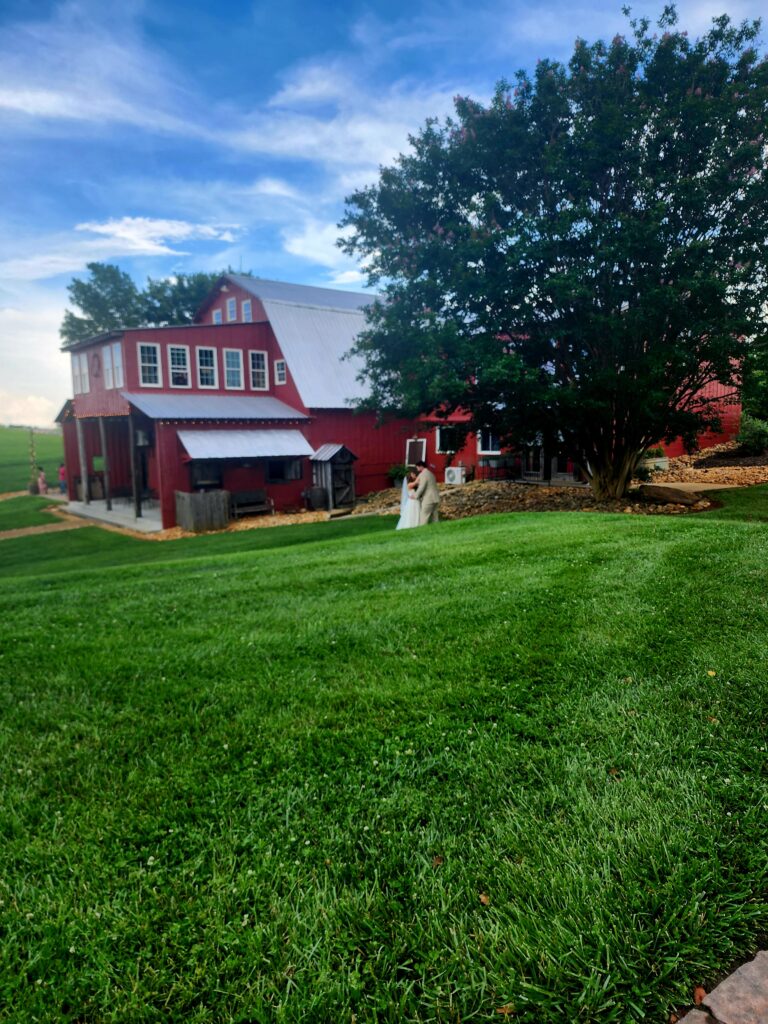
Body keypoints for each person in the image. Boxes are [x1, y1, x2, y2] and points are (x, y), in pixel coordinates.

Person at [413, 459, 440, 525]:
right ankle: (437, 530)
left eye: (417, 467)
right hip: (435, 497)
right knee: (435, 517)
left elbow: (422, 487)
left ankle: (422, 531)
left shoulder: (423, 474)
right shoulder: (431, 473)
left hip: (429, 499)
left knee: (424, 516)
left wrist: (415, 495)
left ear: (421, 466)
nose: (417, 468)